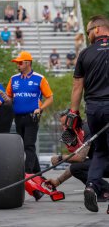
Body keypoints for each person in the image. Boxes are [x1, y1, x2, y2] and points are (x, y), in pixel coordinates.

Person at [70, 15, 109, 212]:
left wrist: (73, 113)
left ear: (98, 29)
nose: (88, 35)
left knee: (101, 152)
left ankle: (92, 185)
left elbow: (77, 86)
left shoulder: (85, 54)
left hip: (94, 109)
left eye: (89, 31)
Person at [46, 110, 109, 202]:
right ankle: (103, 190)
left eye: (65, 125)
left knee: (76, 167)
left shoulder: (87, 129)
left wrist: (60, 158)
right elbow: (79, 164)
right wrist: (57, 181)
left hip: (105, 162)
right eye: (62, 125)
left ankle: (104, 189)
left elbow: (80, 158)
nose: (64, 128)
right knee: (76, 168)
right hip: (102, 163)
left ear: (73, 120)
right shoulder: (77, 132)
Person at [6, 51, 53, 173]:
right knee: (23, 145)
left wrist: (40, 108)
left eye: (20, 63)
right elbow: (9, 98)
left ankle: (28, 173)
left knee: (29, 144)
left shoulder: (39, 78)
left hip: (32, 116)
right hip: (17, 117)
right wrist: (6, 100)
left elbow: (50, 97)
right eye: (17, 63)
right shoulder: (13, 79)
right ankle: (38, 173)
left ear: (28, 63)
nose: (18, 65)